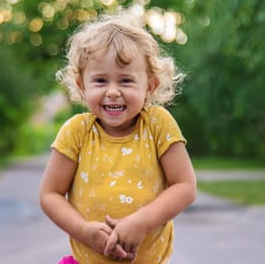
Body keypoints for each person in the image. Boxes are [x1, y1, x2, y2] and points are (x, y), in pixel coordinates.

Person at [39, 14, 197, 264]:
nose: (113, 92)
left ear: (150, 86)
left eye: (126, 80)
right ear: (82, 86)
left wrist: (141, 222)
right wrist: (84, 231)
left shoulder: (157, 124)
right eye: (100, 80)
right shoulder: (76, 132)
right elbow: (50, 194)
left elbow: (185, 187)